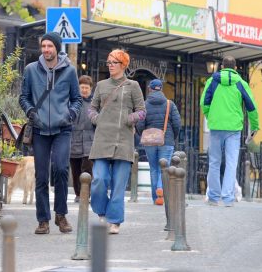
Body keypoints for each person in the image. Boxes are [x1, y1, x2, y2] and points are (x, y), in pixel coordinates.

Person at [19, 31, 82, 235]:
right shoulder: (31, 70)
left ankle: (61, 215)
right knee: (41, 175)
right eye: (43, 46)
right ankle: (43, 219)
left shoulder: (70, 71)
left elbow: (77, 99)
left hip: (62, 128)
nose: (46, 49)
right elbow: (24, 97)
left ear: (57, 48)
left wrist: (70, 114)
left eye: (50, 46)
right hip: (39, 129)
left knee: (62, 169)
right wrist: (31, 112)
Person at [87, 49, 145, 234]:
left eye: (114, 62)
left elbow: (142, 111)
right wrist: (97, 119)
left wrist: (130, 118)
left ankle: (115, 221)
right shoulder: (101, 85)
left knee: (119, 185)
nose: (110, 65)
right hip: (102, 139)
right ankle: (101, 210)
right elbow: (92, 108)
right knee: (99, 180)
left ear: (123, 65)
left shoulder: (133, 85)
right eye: (109, 62)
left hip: (123, 140)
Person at [201, 55, 259, 207]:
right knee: (231, 163)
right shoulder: (241, 83)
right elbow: (251, 107)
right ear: (235, 68)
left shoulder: (212, 81)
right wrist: (255, 126)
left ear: (221, 67)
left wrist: (210, 116)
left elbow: (204, 103)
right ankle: (227, 198)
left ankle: (213, 197)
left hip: (215, 127)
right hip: (234, 128)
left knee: (214, 162)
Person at [137, 78, 180, 206]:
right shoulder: (169, 104)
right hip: (166, 141)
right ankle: (162, 190)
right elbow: (177, 123)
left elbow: (139, 124)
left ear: (150, 89)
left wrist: (144, 135)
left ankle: (156, 197)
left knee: (154, 168)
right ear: (161, 89)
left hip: (149, 142)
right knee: (164, 167)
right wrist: (172, 137)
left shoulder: (144, 104)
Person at [70, 74, 94, 203]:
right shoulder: (73, 102)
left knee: (88, 168)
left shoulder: (95, 102)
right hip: (74, 139)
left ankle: (86, 193)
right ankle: (78, 193)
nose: (84, 90)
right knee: (75, 169)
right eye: (82, 87)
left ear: (91, 88)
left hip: (90, 140)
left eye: (87, 88)